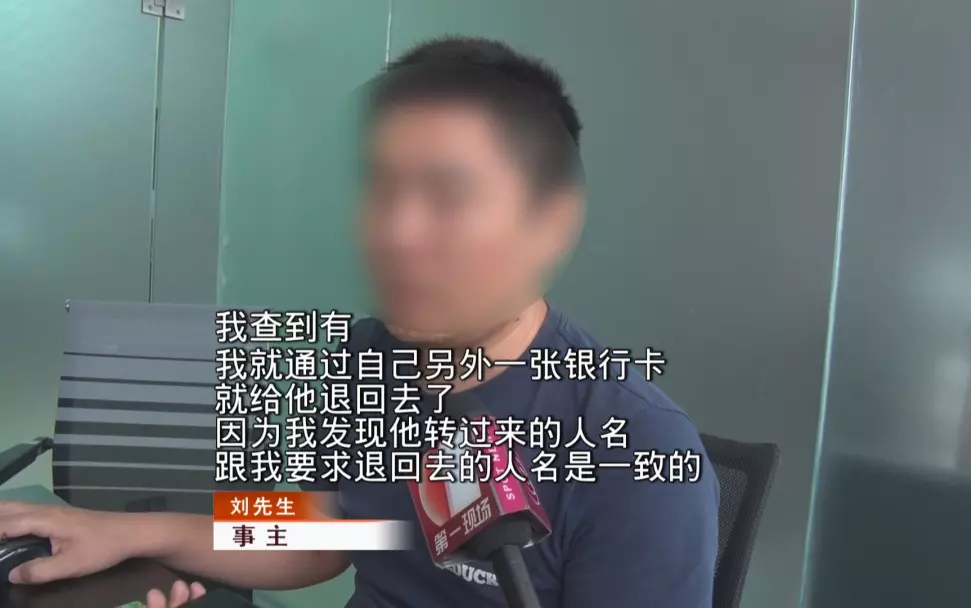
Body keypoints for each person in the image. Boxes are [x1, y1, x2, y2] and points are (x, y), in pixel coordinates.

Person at [0, 37, 720, 608]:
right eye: (378, 190)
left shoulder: (638, 451)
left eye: (447, 196)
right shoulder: (369, 355)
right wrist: (124, 534)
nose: (397, 233)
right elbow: (321, 533)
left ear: (547, 222)